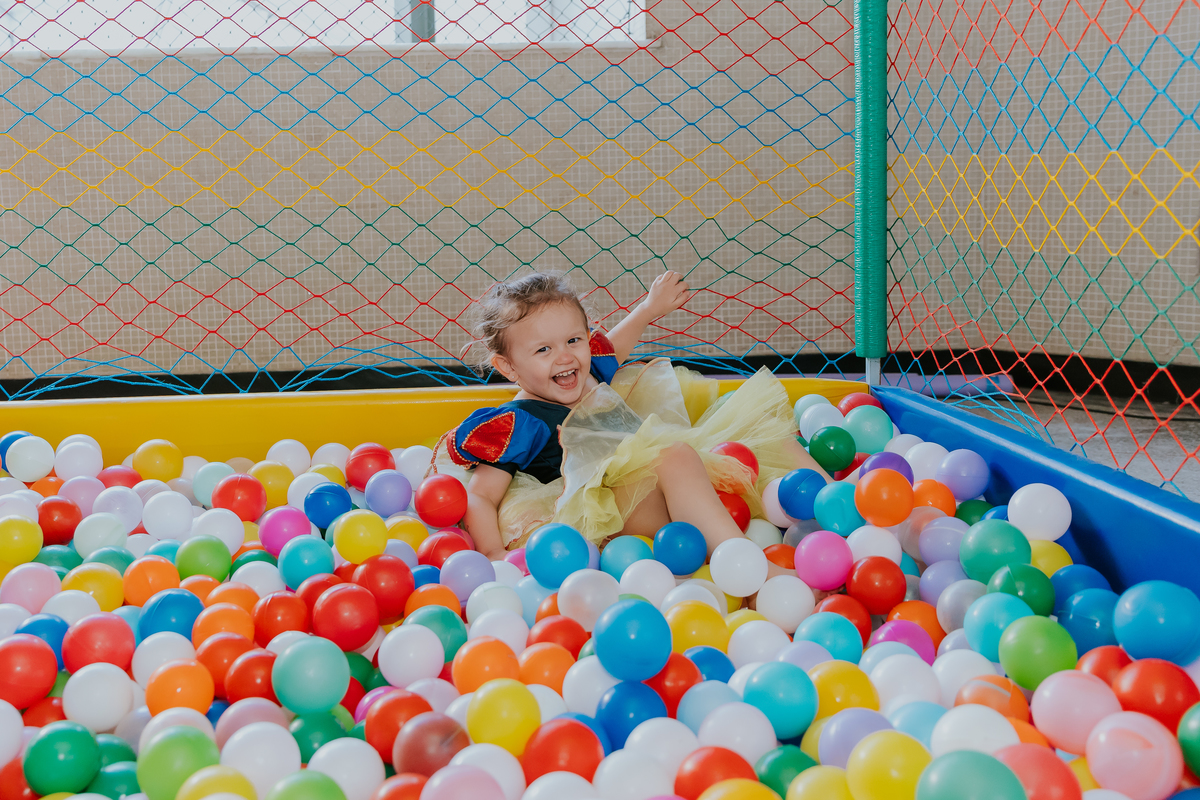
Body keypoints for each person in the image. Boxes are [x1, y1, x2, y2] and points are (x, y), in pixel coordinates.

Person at [432, 270, 828, 562]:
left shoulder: (582, 374)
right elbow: (481, 495)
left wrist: (649, 308)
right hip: (599, 518)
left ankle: (841, 505)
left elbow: (615, 346)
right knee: (675, 457)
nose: (566, 356)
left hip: (651, 484)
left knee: (758, 428)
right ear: (509, 367)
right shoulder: (521, 422)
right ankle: (743, 566)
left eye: (573, 340)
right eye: (543, 350)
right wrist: (492, 553)